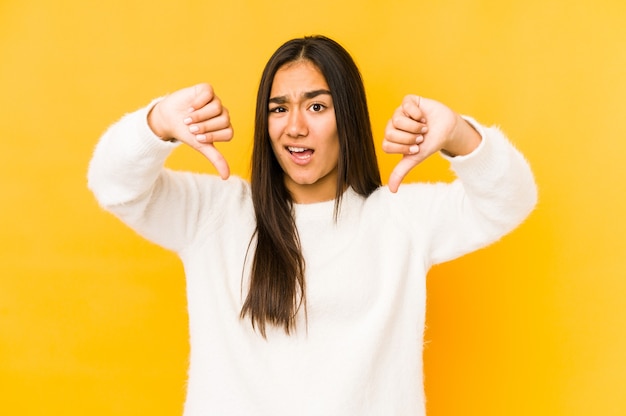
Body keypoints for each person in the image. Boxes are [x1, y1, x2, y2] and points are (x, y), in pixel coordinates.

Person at [88, 35, 537, 416]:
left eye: (317, 106)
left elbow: (511, 201)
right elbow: (112, 185)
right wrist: (158, 123)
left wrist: (459, 134)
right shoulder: (214, 213)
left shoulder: (399, 219)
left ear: (349, 118)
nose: (295, 127)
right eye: (278, 109)